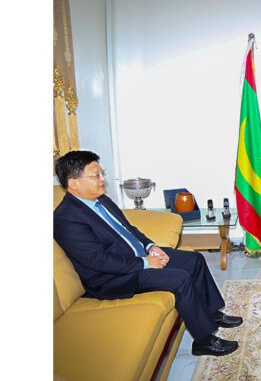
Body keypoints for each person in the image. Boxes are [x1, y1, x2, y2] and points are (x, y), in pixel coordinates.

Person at [53, 150, 242, 357]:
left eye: (101, 173)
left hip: (136, 257)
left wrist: (150, 246)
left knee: (194, 259)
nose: (102, 179)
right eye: (95, 175)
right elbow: (98, 261)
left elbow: (129, 229)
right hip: (112, 277)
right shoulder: (66, 219)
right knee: (179, 279)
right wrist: (145, 263)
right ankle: (204, 341)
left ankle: (211, 313)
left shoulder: (101, 200)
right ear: (74, 183)